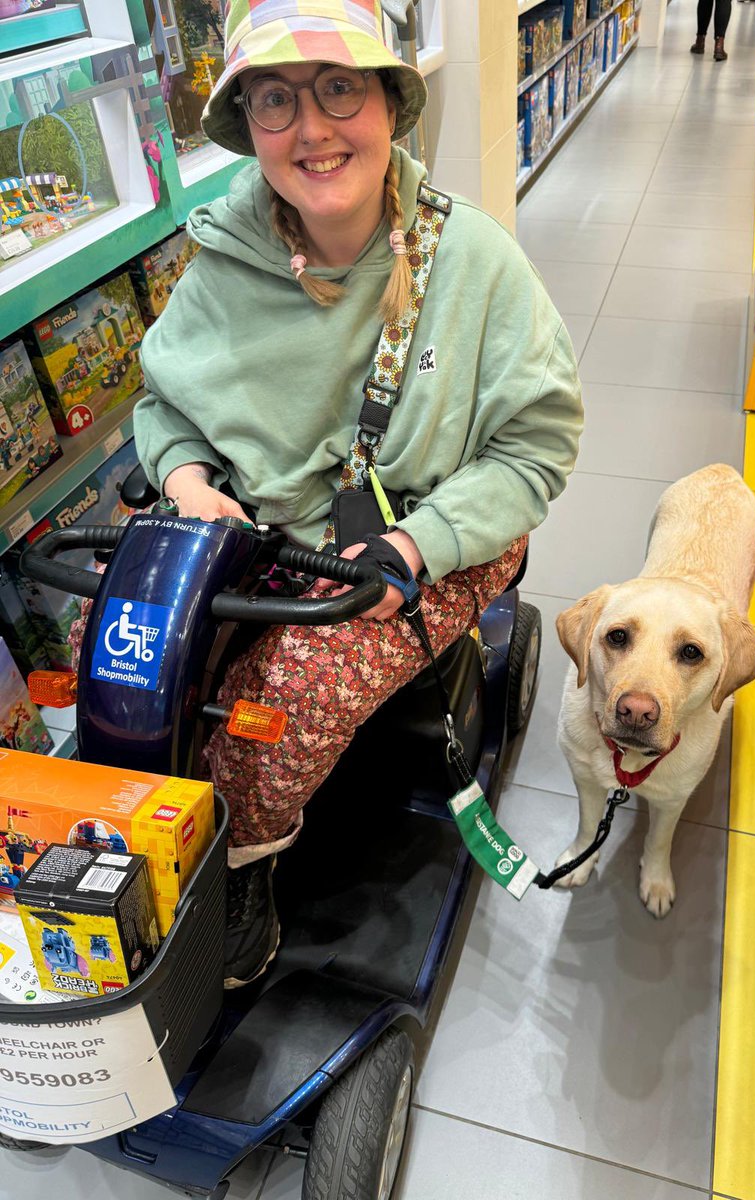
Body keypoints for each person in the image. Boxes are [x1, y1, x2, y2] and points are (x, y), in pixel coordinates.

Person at [124, 0, 582, 988]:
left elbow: (537, 444)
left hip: (431, 534)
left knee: (279, 706)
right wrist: (192, 482)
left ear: (389, 105)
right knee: (130, 659)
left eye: (340, 88)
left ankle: (243, 862)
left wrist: (417, 546)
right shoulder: (224, 262)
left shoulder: (476, 264)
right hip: (262, 533)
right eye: (276, 100)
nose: (314, 127)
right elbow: (165, 408)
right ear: (248, 125)